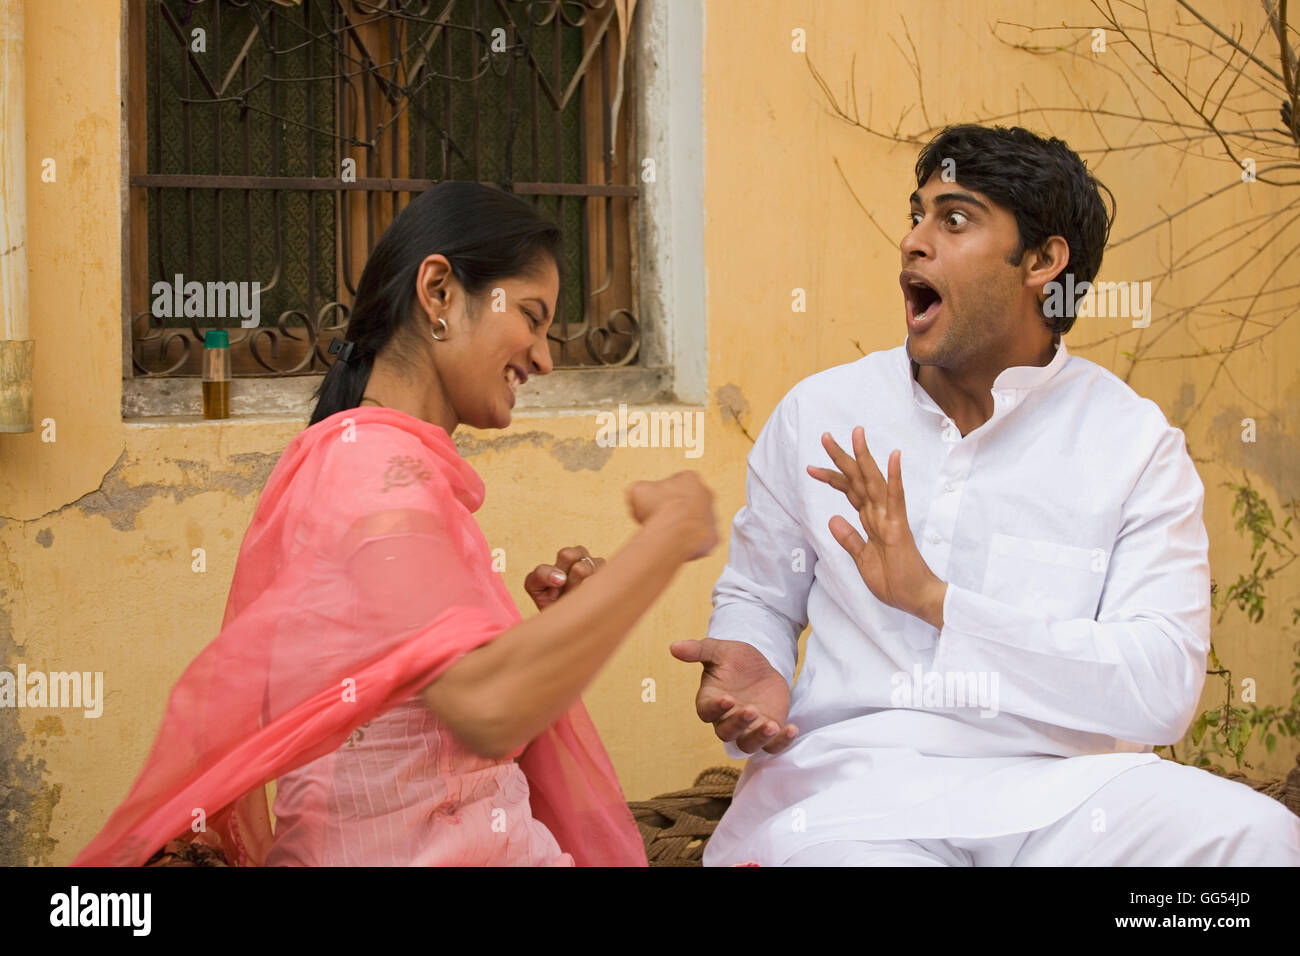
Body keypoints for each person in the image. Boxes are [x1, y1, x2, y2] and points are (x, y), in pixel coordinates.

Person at [674, 124, 1300, 866]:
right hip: (858, 797)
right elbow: (759, 595)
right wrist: (756, 660)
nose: (913, 240)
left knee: (1260, 840)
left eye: (955, 218)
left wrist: (937, 600)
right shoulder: (821, 414)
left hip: (1072, 797)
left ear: (1043, 261)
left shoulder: (1133, 445)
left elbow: (1159, 688)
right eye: (917, 213)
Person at [75, 181, 717, 867]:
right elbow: (488, 705)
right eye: (531, 317)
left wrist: (565, 626)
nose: (543, 356)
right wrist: (668, 537)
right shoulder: (375, 470)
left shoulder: (385, 467)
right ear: (438, 291)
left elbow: (446, 729)